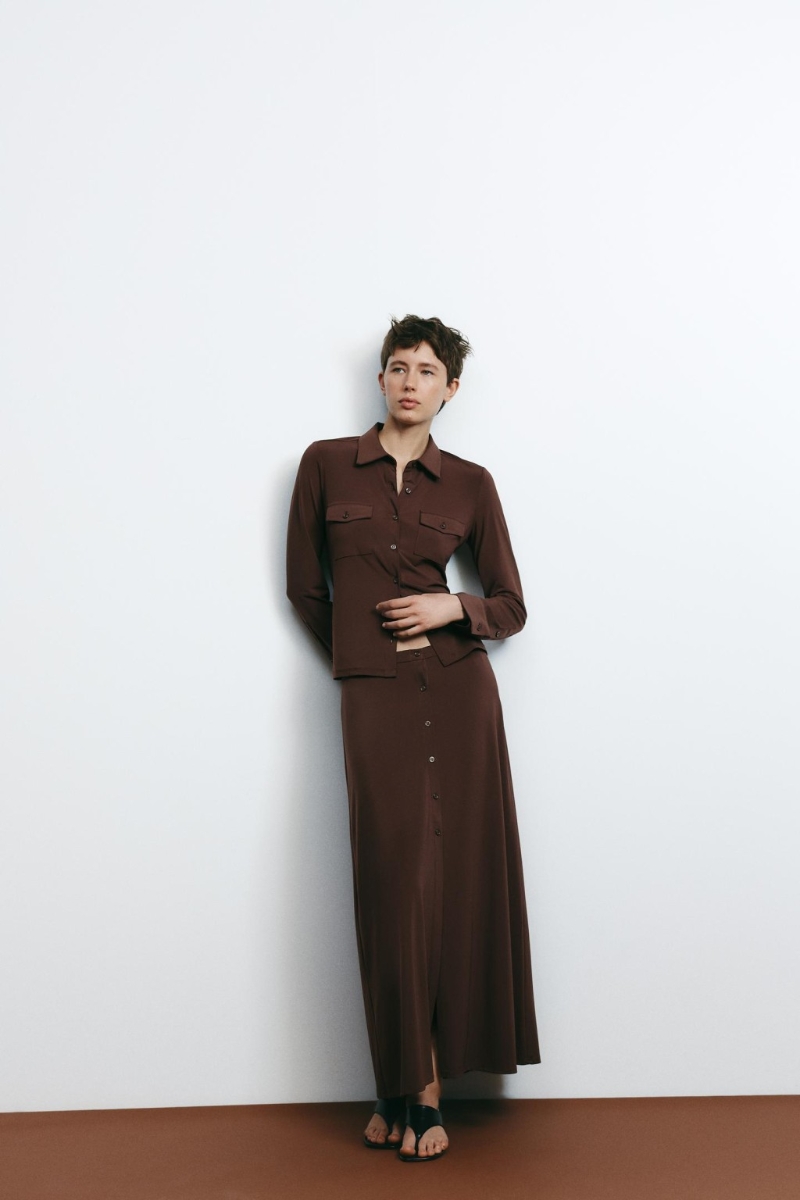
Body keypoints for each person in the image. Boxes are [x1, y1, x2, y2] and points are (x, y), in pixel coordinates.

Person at [286, 315, 540, 1162]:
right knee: (392, 885)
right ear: (381, 379)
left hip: (460, 697)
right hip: (376, 702)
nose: (409, 382)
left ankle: (418, 1091)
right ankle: (401, 1079)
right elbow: (305, 589)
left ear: (450, 389)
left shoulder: (471, 483)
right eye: (398, 367)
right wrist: (360, 659)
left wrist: (449, 607)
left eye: (427, 371)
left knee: (452, 887)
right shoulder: (325, 464)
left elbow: (510, 605)